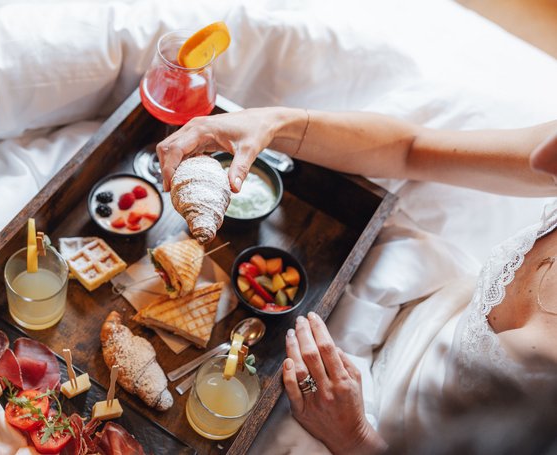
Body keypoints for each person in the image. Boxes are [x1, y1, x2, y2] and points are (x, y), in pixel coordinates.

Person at [157, 108, 557, 454]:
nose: (542, 156)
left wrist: (355, 438)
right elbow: (411, 148)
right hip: (409, 303)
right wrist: (272, 123)